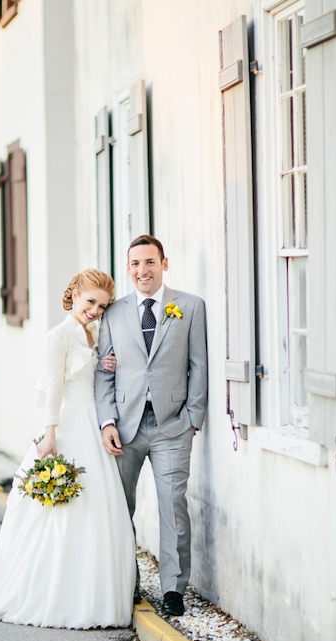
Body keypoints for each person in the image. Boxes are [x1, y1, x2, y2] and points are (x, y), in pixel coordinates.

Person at [0, 270, 136, 629]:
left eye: (102, 306)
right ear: (74, 295)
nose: (96, 311)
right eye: (90, 302)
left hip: (95, 420)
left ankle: (95, 593)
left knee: (99, 509)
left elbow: (96, 374)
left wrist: (106, 364)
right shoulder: (58, 336)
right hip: (68, 423)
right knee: (62, 512)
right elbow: (55, 387)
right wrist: (50, 436)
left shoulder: (97, 332)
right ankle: (55, 594)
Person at [95, 235, 208, 617]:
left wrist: (194, 417)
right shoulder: (112, 312)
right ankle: (127, 581)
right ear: (127, 268)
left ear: (164, 263)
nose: (142, 270)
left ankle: (174, 589)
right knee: (118, 505)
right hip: (124, 428)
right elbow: (103, 373)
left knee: (173, 506)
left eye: (149, 262)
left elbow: (198, 365)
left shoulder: (189, 307)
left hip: (172, 426)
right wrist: (106, 421)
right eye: (135, 264)